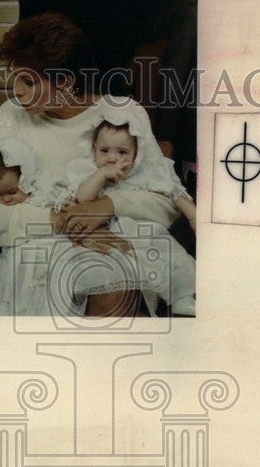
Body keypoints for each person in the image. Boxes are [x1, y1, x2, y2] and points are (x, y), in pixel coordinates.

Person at [0, 12, 180, 317]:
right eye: (15, 79)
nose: (17, 91)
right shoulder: (12, 116)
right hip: (37, 256)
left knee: (112, 275)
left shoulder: (123, 114)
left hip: (115, 247)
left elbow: (165, 200)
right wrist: (64, 222)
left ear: (64, 81)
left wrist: (105, 207)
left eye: (28, 81)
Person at [66, 102, 196, 314]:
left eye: (122, 152)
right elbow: (83, 198)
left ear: (137, 154)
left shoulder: (144, 173)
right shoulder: (88, 172)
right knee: (122, 270)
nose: (112, 158)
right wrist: (100, 177)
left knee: (172, 255)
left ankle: (181, 297)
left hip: (146, 231)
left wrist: (192, 214)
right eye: (105, 150)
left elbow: (172, 192)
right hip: (112, 235)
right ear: (93, 149)